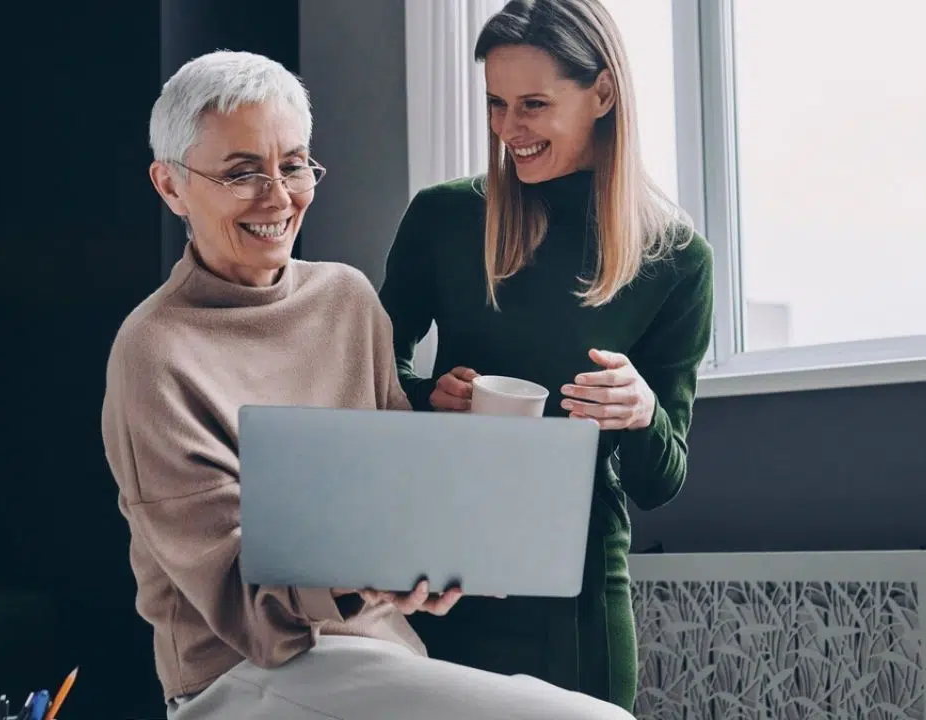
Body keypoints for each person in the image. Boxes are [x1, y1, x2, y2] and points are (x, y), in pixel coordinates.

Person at [101, 50, 635, 720]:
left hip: (378, 653)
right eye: (242, 172)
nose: (277, 196)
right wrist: (369, 574)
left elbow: (395, 494)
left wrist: (443, 545)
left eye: (293, 164)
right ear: (171, 185)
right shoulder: (155, 351)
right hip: (236, 676)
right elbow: (246, 609)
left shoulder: (346, 300)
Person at [379, 0, 715, 712]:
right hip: (442, 574)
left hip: (577, 591)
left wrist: (642, 410)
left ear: (602, 93)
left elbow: (662, 482)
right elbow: (366, 380)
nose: (508, 130)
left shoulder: (677, 259)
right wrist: (424, 396)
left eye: (533, 104)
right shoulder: (442, 219)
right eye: (496, 104)